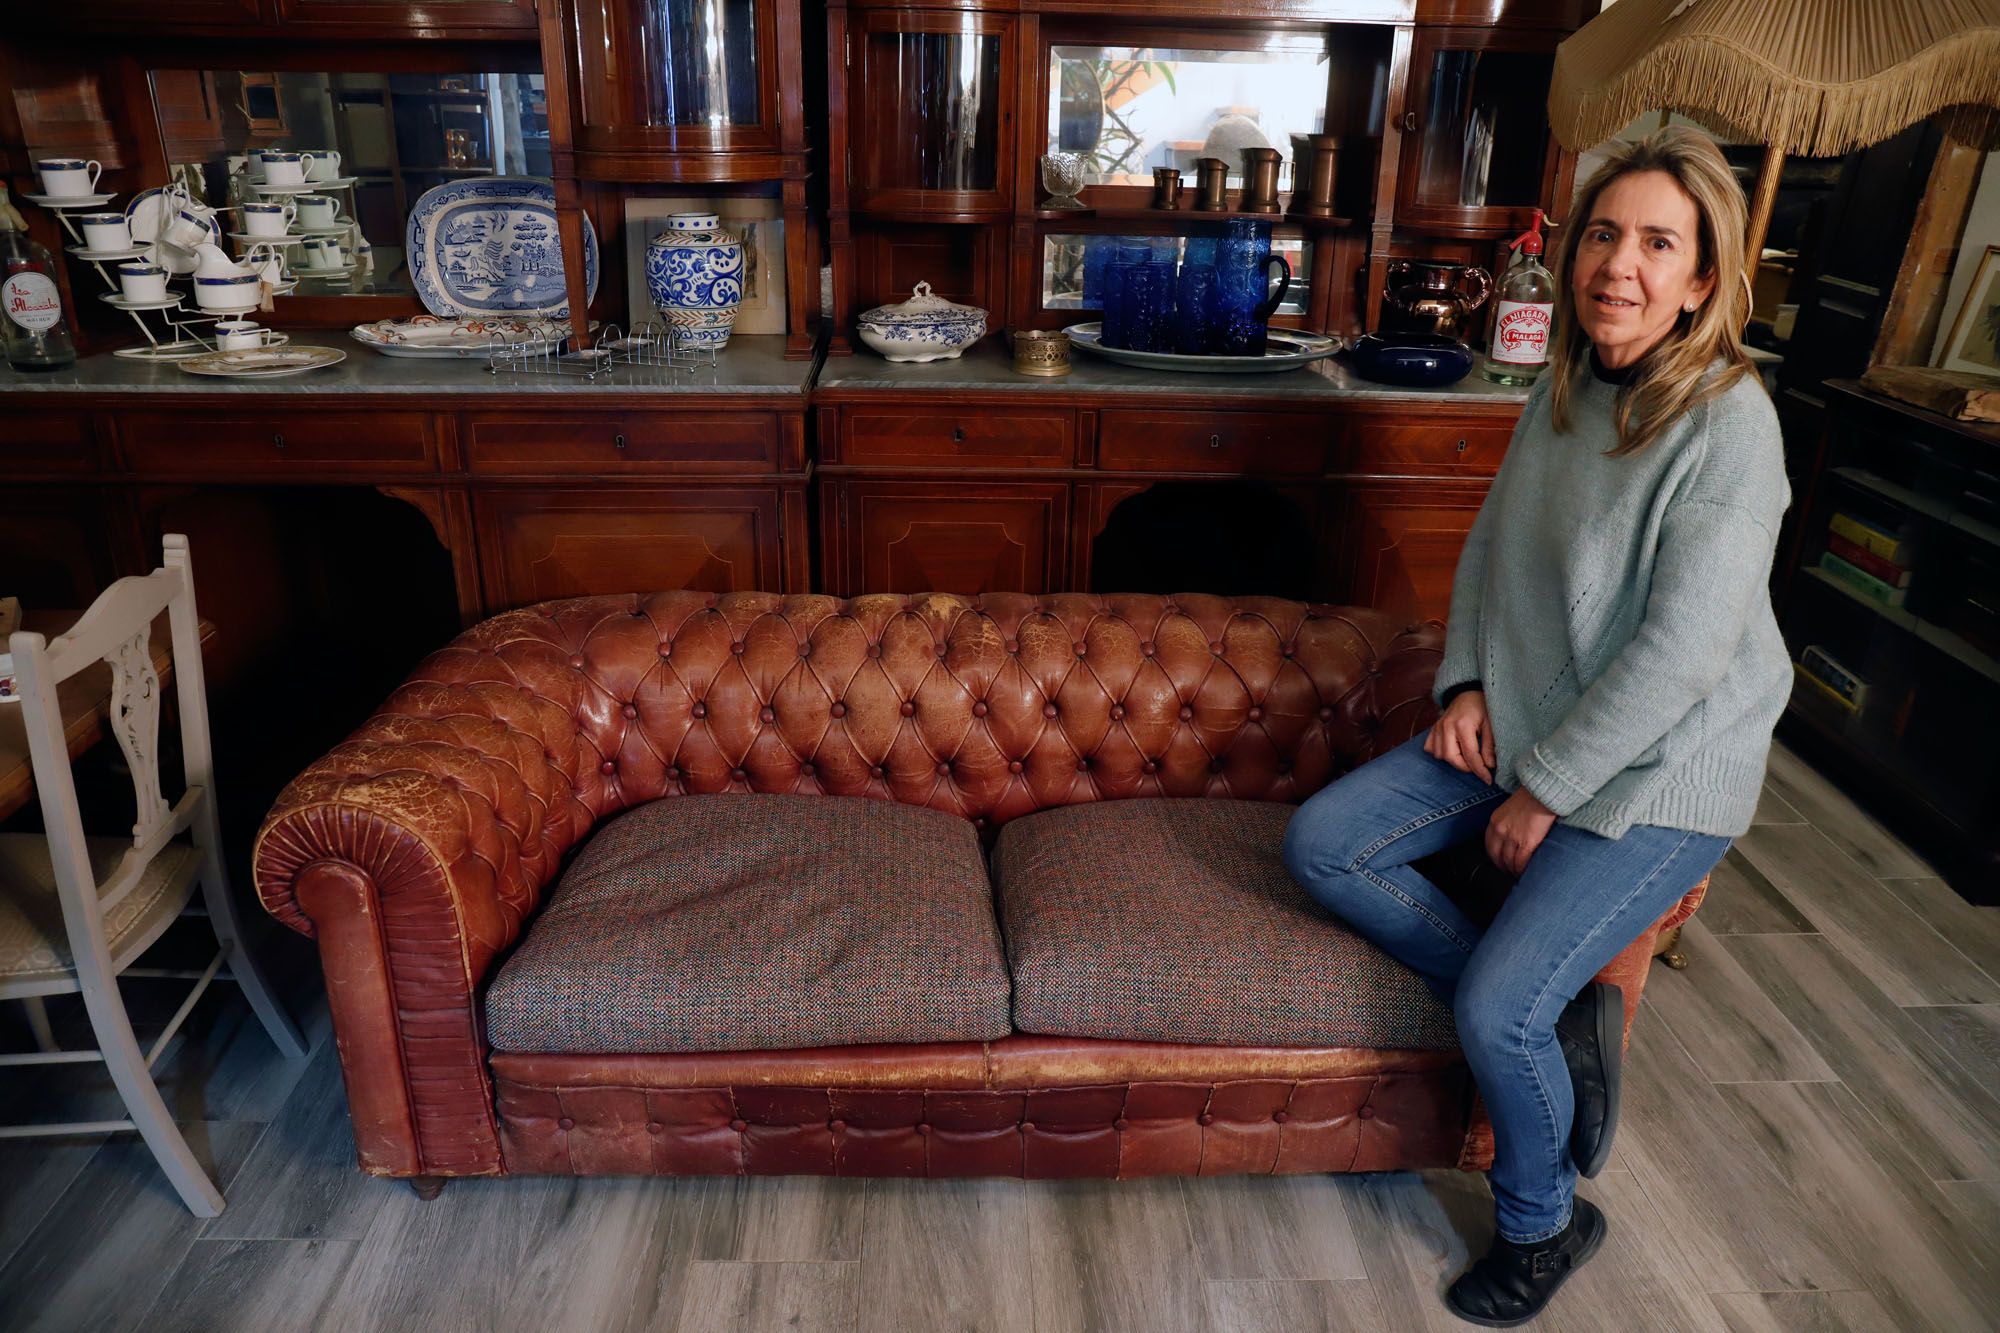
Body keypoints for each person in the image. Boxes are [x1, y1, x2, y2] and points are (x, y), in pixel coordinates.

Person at [1282, 125, 1792, 1327]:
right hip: (1528, 720)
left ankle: (1544, 1220)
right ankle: (1564, 1015)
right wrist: (1465, 683)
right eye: (1603, 235)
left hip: (1664, 772)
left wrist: (1543, 788)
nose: (1620, 264)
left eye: (1657, 244)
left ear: (1702, 280)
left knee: (1488, 1011)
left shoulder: (1728, 427)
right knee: (1322, 843)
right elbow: (1489, 555)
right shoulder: (1560, 389)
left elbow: (1680, 656)